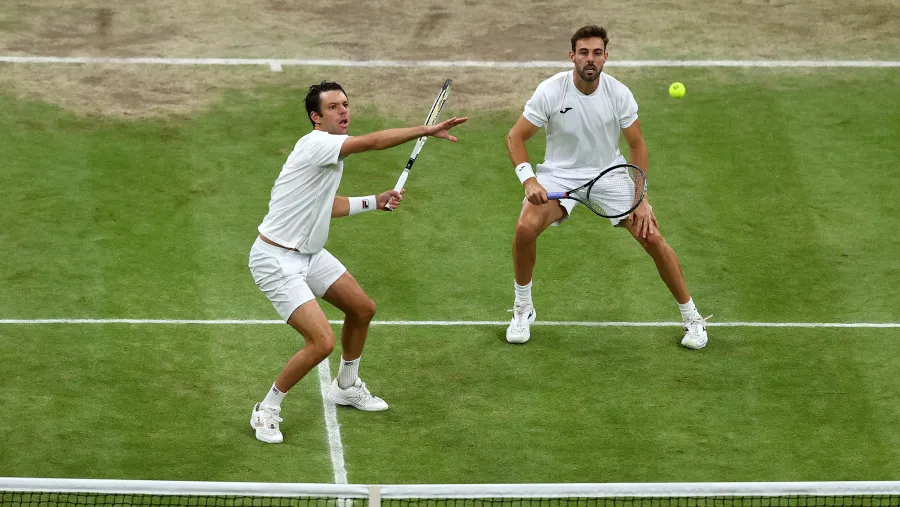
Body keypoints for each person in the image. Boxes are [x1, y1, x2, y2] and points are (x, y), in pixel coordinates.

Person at [248, 81, 467, 444]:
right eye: (333, 107)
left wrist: (374, 201)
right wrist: (425, 129)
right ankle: (267, 408)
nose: (344, 111)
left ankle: (346, 387)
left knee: (362, 309)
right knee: (321, 342)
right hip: (275, 259)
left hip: (310, 253)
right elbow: (373, 142)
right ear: (316, 117)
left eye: (346, 104)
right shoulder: (318, 144)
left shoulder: (327, 153)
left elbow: (327, 204)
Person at [504, 25, 709, 349]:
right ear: (572, 56)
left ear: (605, 57)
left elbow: (637, 146)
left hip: (609, 175)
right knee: (525, 227)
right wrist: (529, 179)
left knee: (651, 236)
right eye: (584, 52)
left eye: (597, 53)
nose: (590, 59)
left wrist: (640, 199)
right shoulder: (551, 91)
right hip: (560, 174)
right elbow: (515, 137)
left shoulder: (619, 94)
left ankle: (692, 318)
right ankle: (522, 308)